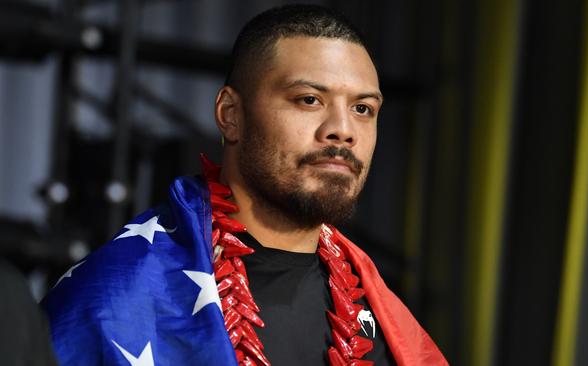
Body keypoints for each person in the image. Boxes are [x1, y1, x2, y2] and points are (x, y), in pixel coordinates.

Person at [42, 4, 447, 366]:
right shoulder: (115, 302)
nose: (342, 130)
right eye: (309, 100)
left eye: (362, 109)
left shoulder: (384, 319)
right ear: (230, 114)